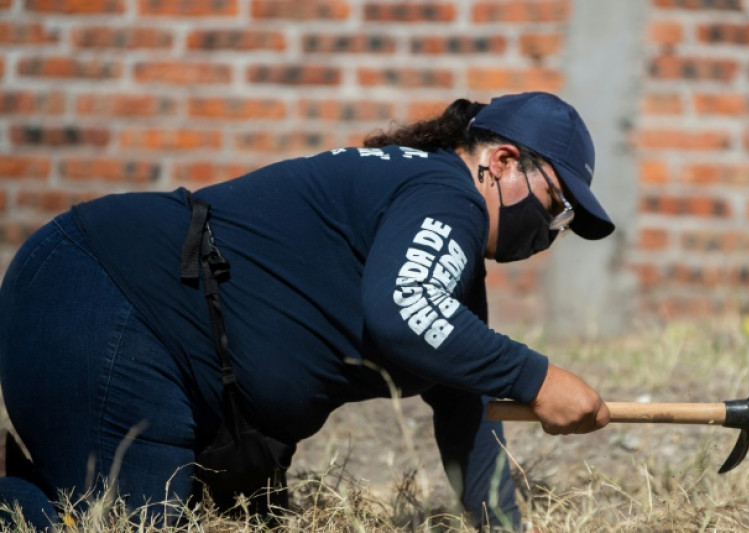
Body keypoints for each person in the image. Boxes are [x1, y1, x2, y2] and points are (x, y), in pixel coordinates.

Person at [0, 91, 614, 530]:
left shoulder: (445, 239)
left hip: (129, 323)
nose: (551, 232)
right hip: (104, 296)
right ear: (503, 161)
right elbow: (403, 313)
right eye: (557, 207)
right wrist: (538, 377)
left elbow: (466, 398)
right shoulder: (446, 196)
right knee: (132, 526)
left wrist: (500, 524)